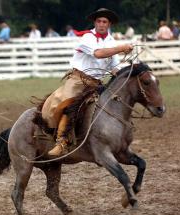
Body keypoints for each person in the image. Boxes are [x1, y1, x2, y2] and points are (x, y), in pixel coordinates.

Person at [41, 8, 133, 156]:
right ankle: (61, 141)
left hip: (96, 83)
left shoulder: (111, 41)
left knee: (113, 103)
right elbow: (98, 54)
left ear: (109, 24)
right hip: (78, 80)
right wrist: (121, 48)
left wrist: (127, 72)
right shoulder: (87, 38)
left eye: (104, 21)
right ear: (95, 22)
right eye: (99, 21)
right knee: (69, 105)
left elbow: (114, 67)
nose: (101, 24)